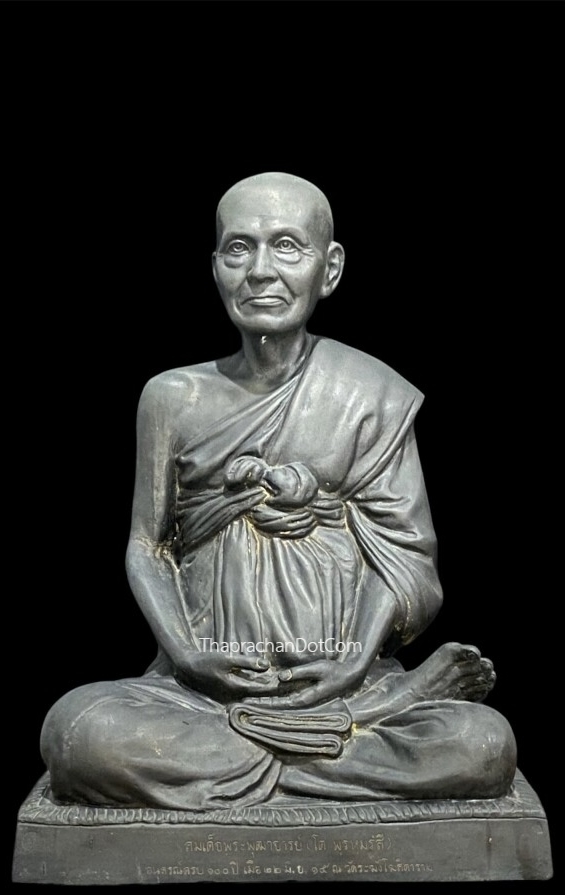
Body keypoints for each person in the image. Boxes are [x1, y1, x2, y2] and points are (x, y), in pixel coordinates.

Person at [41, 173, 516, 809]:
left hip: (344, 678)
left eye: (287, 246)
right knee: (78, 733)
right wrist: (189, 656)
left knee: (483, 744)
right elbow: (148, 546)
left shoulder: (368, 394)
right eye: (240, 248)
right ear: (216, 267)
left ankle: (276, 747)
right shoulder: (173, 398)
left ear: (330, 268)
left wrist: (353, 663)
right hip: (203, 690)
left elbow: (404, 557)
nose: (261, 270)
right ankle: (325, 743)